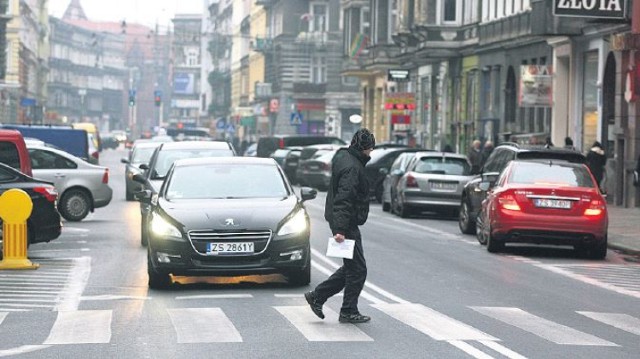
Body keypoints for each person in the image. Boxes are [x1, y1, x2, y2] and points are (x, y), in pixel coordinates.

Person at [305, 128, 375, 324]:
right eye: (370, 149)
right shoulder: (353, 167)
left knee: (351, 268)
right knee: (358, 270)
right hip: (346, 223)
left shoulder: (343, 157)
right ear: (365, 148)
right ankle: (347, 310)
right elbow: (344, 198)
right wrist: (341, 230)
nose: (370, 153)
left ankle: (317, 297)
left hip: (342, 221)